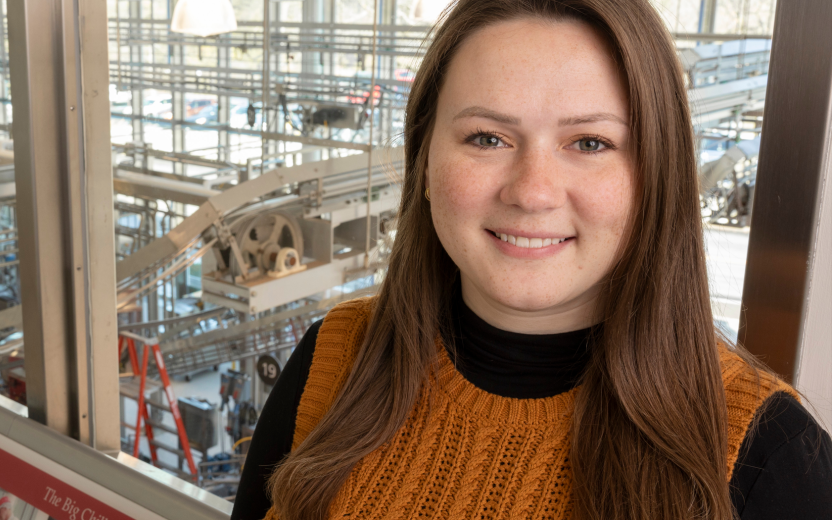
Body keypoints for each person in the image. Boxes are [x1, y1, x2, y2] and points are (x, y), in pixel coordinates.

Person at [232, 1, 832, 519]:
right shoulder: (336, 358)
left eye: (590, 143)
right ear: (424, 164)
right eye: (487, 138)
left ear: (656, 175)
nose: (532, 191)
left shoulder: (768, 451)